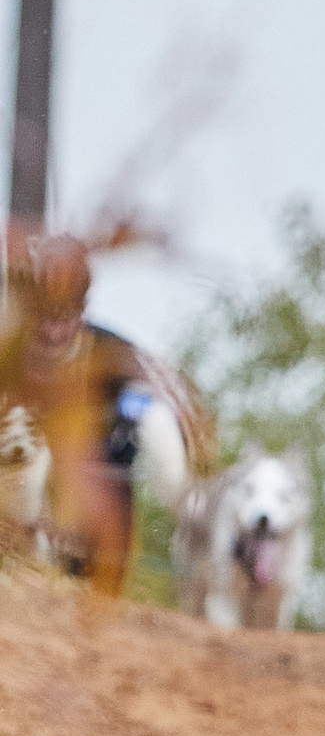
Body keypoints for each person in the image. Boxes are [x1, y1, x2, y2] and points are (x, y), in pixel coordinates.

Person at [0, 232, 193, 594]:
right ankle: (28, 563)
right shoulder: (12, 353)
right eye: (44, 317)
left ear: (81, 309)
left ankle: (185, 505)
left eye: (64, 317)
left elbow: (159, 393)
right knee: (27, 451)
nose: (52, 331)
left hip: (104, 462)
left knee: (156, 420)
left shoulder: (111, 350)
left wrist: (145, 413)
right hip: (28, 468)